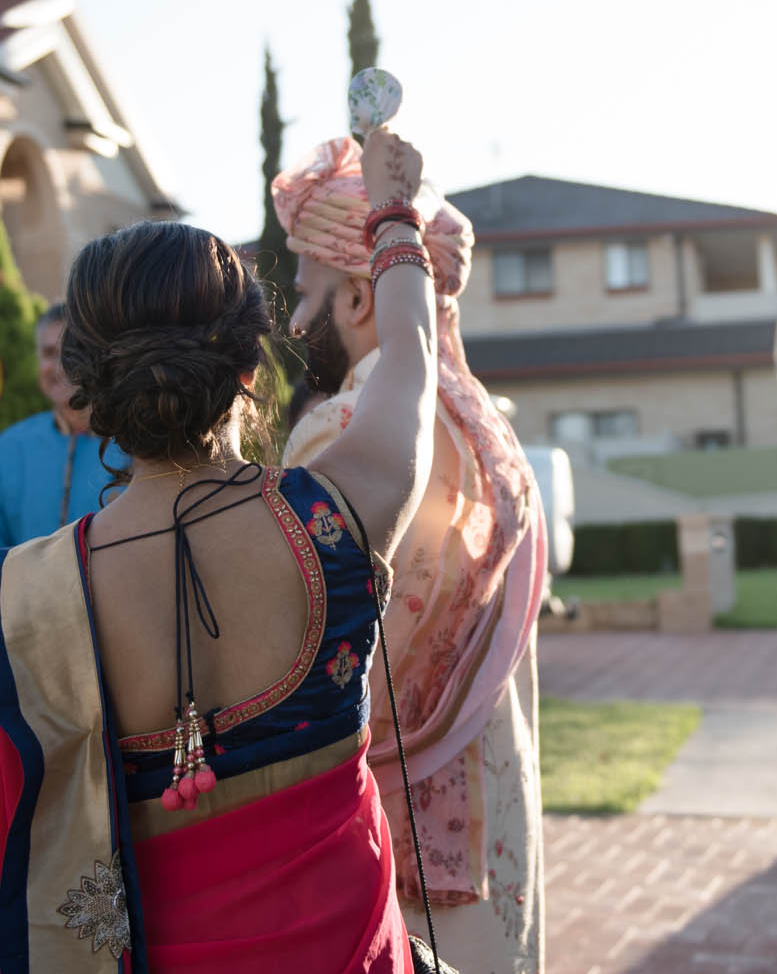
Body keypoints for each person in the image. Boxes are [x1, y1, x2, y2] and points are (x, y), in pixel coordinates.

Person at [0, 126, 439, 973]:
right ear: (252, 366)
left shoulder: (18, 604)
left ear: (89, 388)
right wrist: (395, 210)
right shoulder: (337, 513)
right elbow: (410, 356)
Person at [273, 137, 546, 974]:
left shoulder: (342, 430)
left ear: (362, 296)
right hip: (494, 800)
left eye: (305, 294)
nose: (293, 323)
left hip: (401, 834)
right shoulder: (485, 425)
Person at [0, 303, 129, 778]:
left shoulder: (134, 448)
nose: (57, 365)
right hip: (22, 684)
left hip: (118, 681)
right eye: (46, 352)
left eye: (69, 351)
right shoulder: (11, 450)